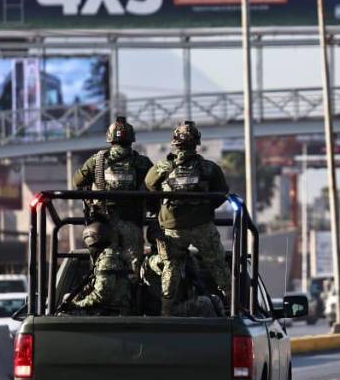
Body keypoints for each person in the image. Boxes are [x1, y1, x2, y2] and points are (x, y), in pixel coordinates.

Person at [145, 120, 231, 316]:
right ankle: (233, 304)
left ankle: (166, 310)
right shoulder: (209, 168)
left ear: (175, 143)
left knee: (170, 266)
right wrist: (204, 208)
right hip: (202, 227)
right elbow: (222, 193)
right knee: (217, 263)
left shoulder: (162, 167)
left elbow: (150, 185)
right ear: (196, 143)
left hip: (172, 228)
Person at [72, 116, 153, 274]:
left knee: (102, 268)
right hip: (132, 223)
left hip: (102, 225)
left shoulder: (97, 161)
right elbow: (154, 186)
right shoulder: (142, 162)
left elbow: (77, 181)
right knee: (133, 269)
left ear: (110, 139)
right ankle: (130, 295)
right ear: (131, 139)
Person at [67, 222, 132, 315]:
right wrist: (74, 298)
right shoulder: (104, 258)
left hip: (115, 314)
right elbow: (91, 285)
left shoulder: (108, 260)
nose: (91, 249)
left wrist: (77, 305)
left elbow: (101, 295)